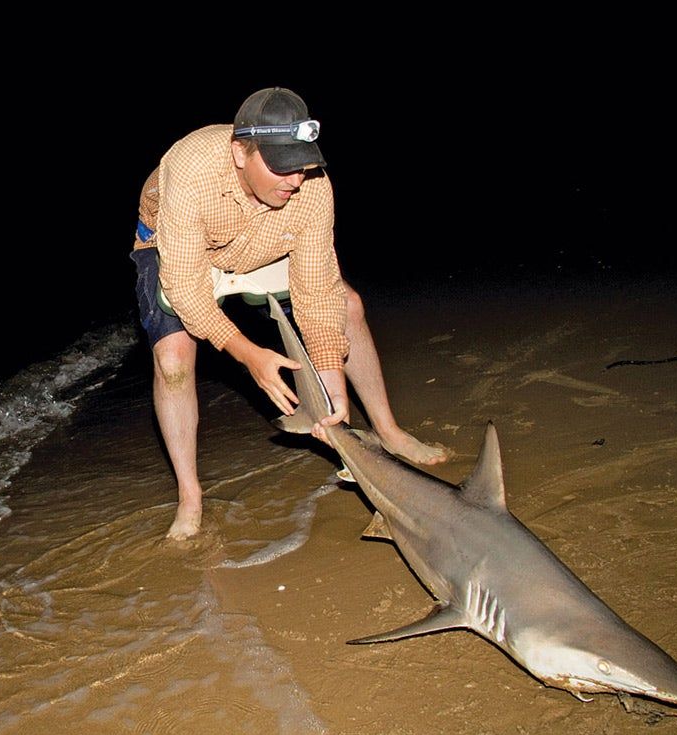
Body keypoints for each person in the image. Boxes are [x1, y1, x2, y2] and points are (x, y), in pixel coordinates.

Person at [130, 87, 447, 540]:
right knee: (173, 362)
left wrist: (332, 393)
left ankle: (388, 431)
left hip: (262, 239)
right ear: (241, 152)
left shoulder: (311, 187)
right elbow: (185, 287)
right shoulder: (190, 167)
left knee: (347, 304)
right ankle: (190, 495)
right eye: (281, 164)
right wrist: (248, 354)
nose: (295, 178)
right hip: (180, 246)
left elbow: (317, 294)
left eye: (302, 162)